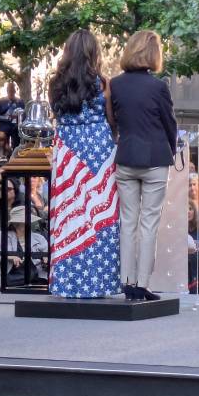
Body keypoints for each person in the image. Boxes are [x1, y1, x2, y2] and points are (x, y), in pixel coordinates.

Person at [48, 29, 121, 298]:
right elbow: (111, 120)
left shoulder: (55, 84)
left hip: (68, 152)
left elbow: (57, 115)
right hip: (99, 152)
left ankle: (69, 282)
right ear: (94, 53)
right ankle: (99, 281)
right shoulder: (102, 83)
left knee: (69, 215)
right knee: (100, 214)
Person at [111, 29, 177, 301]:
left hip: (125, 157)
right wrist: (170, 151)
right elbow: (169, 123)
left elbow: (112, 119)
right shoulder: (159, 86)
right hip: (154, 159)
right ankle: (142, 283)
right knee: (149, 223)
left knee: (127, 222)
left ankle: (126, 282)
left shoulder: (114, 84)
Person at [0, 206, 48, 292]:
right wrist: (9, 256)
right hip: (10, 282)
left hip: (36, 281)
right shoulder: (3, 236)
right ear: (16, 224)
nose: (29, 223)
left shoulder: (39, 238)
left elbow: (48, 254)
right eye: (25, 221)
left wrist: (46, 259)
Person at [0, 82, 25, 149]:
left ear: (15, 91)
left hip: (16, 126)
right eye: (9, 90)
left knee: (18, 134)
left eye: (12, 90)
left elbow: (23, 116)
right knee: (1, 136)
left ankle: (15, 154)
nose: (11, 92)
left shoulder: (20, 102)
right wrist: (5, 117)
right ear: (7, 90)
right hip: (4, 126)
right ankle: (3, 154)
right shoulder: (1, 101)